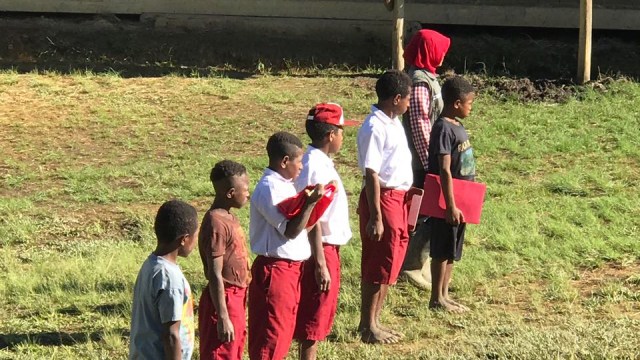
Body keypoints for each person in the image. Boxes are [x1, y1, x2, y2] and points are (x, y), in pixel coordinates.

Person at [248, 131, 325, 360]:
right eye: (298, 161)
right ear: (284, 161)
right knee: (271, 338)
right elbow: (290, 230)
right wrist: (310, 203)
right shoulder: (270, 188)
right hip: (276, 271)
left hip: (290, 271)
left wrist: (318, 204)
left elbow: (299, 227)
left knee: (282, 333)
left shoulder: (285, 184)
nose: (301, 166)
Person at [356, 70, 413, 344]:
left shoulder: (393, 121)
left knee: (391, 260)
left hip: (398, 198)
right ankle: (367, 325)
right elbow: (371, 173)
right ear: (396, 98)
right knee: (379, 259)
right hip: (382, 199)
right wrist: (376, 215)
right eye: (407, 99)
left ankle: (376, 321)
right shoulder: (374, 126)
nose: (409, 105)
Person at [294, 103, 354, 360]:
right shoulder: (314, 166)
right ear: (331, 135)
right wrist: (320, 263)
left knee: (320, 312)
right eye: (341, 130)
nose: (343, 136)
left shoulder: (319, 161)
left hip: (328, 247)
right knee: (314, 315)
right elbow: (312, 218)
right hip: (320, 248)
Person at [401, 29, 451, 289]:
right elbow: (420, 124)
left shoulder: (425, 76)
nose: (443, 56)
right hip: (422, 160)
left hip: (427, 157)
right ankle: (411, 267)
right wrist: (430, 161)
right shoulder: (420, 81)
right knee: (423, 214)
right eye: (440, 50)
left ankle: (414, 265)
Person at [426, 76, 476, 313]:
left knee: (453, 250)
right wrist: (450, 205)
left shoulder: (456, 125)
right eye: (469, 104)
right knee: (441, 249)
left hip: (463, 199)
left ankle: (445, 294)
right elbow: (444, 169)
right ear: (456, 103)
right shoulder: (443, 128)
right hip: (448, 201)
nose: (471, 108)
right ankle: (436, 297)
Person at [129, 200, 199, 360]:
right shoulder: (169, 278)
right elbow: (171, 335)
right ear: (184, 239)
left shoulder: (151, 264)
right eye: (195, 235)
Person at [198, 160, 251, 360]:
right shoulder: (216, 223)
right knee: (221, 353)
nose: (248, 193)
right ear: (230, 193)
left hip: (236, 297)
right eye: (244, 189)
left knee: (234, 351)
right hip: (223, 300)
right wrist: (222, 316)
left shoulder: (228, 216)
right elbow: (215, 273)